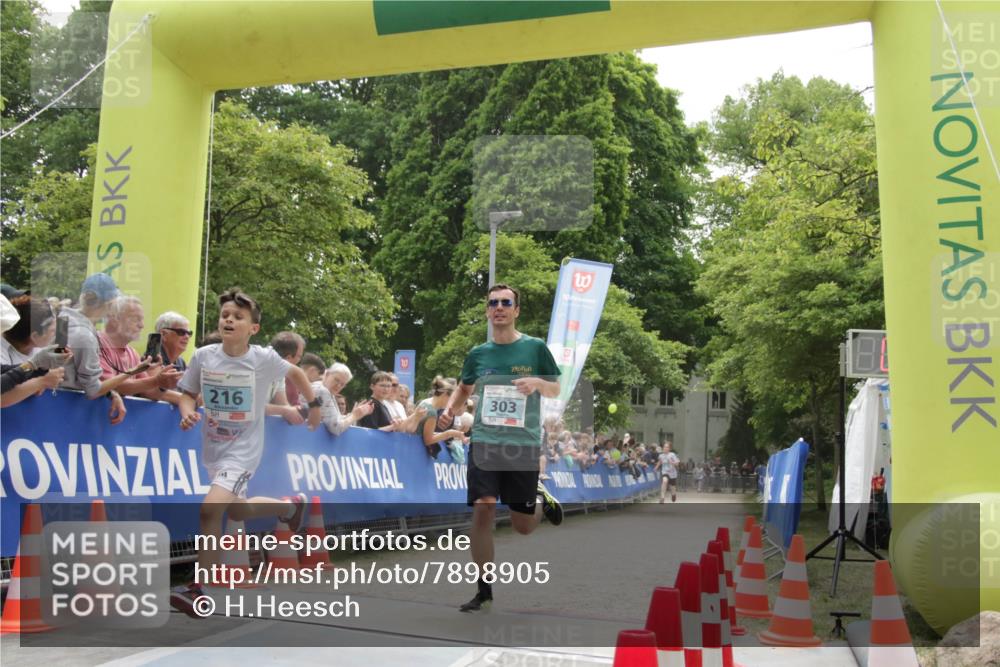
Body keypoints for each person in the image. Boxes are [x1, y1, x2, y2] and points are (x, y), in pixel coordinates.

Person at [169, 288, 322, 617]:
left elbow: (296, 373)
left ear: (253, 328)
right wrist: (187, 413)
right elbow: (187, 393)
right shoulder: (204, 356)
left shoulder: (263, 358)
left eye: (238, 317)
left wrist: (314, 405)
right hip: (214, 448)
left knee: (210, 511)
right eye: (225, 315)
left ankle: (200, 589)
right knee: (236, 512)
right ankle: (288, 509)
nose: (229, 320)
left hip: (244, 449)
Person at [436, 284, 563, 612]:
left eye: (506, 302)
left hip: (521, 445)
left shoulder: (535, 348)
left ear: (516, 310)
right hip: (486, 442)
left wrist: (538, 383)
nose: (499, 307)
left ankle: (539, 499)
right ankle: (484, 590)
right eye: (493, 303)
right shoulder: (479, 353)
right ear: (488, 311)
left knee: (522, 526)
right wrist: (451, 408)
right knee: (484, 507)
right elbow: (463, 389)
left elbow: (555, 389)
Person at [61, 274, 138, 424]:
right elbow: (93, 390)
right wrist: (133, 371)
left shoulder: (63, 319)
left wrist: (111, 393)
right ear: (109, 304)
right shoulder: (85, 336)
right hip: (65, 411)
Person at [99, 296, 184, 404]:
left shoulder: (132, 353)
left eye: (142, 319)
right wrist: (156, 380)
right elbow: (111, 386)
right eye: (135, 319)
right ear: (115, 319)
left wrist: (162, 384)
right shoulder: (96, 344)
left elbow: (148, 392)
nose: (142, 325)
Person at [417, 375, 465, 458]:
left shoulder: (424, 403)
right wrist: (449, 433)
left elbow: (424, 432)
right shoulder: (432, 412)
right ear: (445, 394)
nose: (451, 404)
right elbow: (428, 440)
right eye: (451, 399)